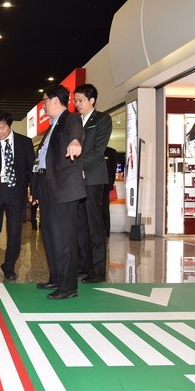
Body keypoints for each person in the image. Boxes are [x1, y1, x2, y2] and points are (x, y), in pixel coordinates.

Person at [33, 84, 85, 300]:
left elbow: (76, 131)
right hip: (47, 186)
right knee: (50, 234)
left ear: (55, 100)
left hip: (63, 188)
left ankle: (68, 286)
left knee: (63, 237)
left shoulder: (69, 119)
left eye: (44, 100)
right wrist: (36, 188)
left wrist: (74, 141)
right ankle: (56, 277)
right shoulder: (51, 127)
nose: (43, 105)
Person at [0, 110, 35, 281]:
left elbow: (31, 169)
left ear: (10, 125)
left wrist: (34, 190)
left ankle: (9, 266)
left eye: (1, 128)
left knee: (15, 231)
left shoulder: (25, 142)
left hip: (16, 192)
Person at [73, 84, 112, 283]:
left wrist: (77, 163)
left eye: (80, 100)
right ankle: (83, 265)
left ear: (92, 101)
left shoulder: (102, 120)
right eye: (75, 100)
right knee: (80, 225)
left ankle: (98, 270)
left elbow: (98, 150)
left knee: (94, 224)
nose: (77, 104)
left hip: (93, 179)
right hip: (75, 180)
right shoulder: (74, 121)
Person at [103, 146, 118, 237]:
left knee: (104, 209)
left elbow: (113, 169)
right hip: (98, 185)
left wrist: (110, 183)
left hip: (105, 185)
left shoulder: (111, 152)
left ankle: (106, 232)